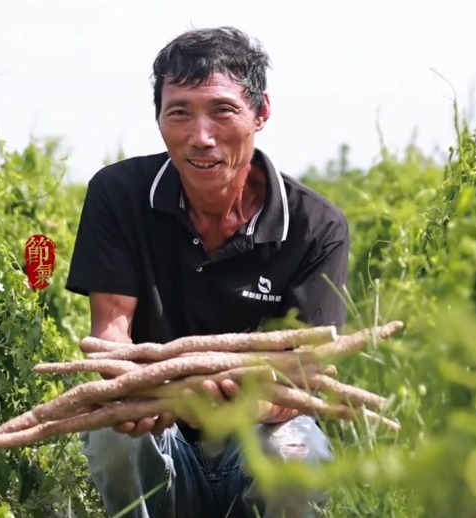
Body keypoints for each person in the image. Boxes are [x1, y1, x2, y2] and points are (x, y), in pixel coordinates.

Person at [65, 26, 351, 518]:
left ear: (260, 113)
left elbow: (305, 375)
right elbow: (110, 332)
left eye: (223, 111)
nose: (201, 137)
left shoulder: (315, 225)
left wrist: (229, 402)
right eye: (179, 112)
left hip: (257, 431)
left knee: (297, 454)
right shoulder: (119, 194)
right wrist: (136, 389)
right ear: (158, 118)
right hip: (157, 422)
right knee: (111, 436)